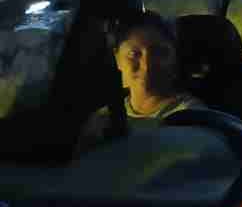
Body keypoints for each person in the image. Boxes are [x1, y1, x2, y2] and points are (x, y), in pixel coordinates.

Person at [77, 13, 202, 151]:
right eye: (134, 54)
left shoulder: (191, 117)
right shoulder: (102, 119)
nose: (146, 65)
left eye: (159, 53)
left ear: (175, 58)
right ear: (116, 58)